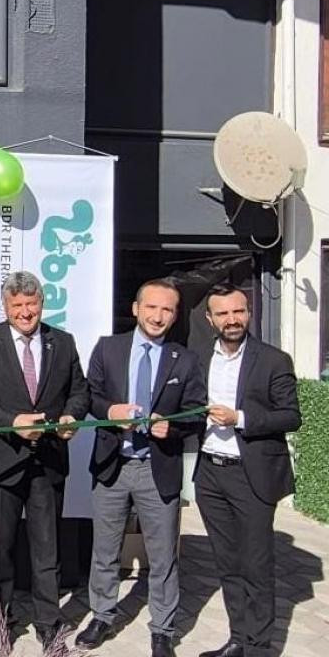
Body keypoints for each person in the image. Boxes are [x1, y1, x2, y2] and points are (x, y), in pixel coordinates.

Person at [76, 279, 207, 657]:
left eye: (167, 309)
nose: (158, 316)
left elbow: (196, 413)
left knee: (163, 555)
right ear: (136, 309)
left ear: (175, 315)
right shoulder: (108, 348)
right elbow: (89, 396)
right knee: (105, 549)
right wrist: (110, 411)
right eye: (151, 307)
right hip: (113, 465)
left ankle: (162, 629)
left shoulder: (186, 359)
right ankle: (102, 615)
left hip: (157, 468)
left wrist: (174, 428)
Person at [0, 271, 90, 653]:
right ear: (5, 306)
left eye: (31, 304)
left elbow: (79, 391)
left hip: (48, 461)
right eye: (17, 305)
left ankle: (48, 623)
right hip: (1, 460)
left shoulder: (62, 342)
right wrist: (12, 422)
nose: (25, 312)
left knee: (47, 549)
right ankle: (1, 624)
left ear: (41, 303)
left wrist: (71, 417)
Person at [194, 283, 301, 657]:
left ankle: (258, 647)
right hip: (210, 474)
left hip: (250, 475)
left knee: (256, 565)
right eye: (223, 313)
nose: (232, 319)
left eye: (238, 311)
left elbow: (291, 416)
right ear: (210, 319)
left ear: (249, 313)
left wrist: (239, 418)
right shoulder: (198, 358)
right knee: (227, 563)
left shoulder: (273, 360)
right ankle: (238, 639)